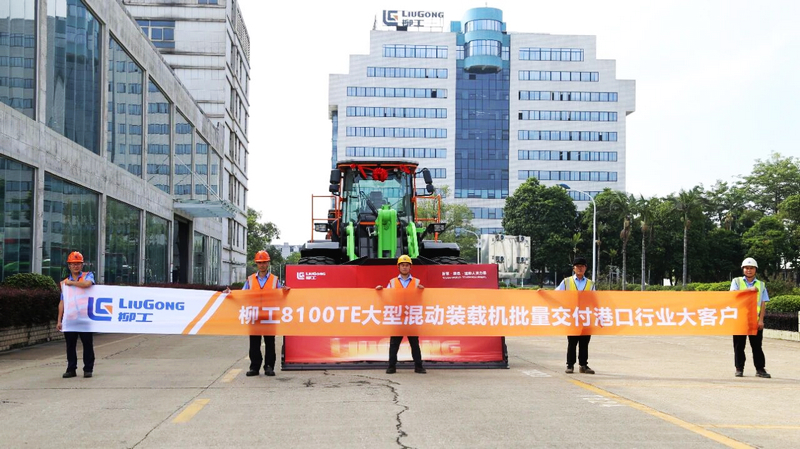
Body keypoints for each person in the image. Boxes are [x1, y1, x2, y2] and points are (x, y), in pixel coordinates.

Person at [227, 250, 290, 377]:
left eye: (264, 262)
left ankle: (269, 367)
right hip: (254, 315)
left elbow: (281, 295)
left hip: (269, 316)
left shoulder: (274, 280)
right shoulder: (250, 280)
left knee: (270, 343)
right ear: (256, 264)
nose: (262, 265)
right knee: (254, 343)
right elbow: (243, 294)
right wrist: (231, 293)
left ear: (268, 263)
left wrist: (285, 291)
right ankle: (254, 367)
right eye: (259, 262)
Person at [376, 255, 426, 374]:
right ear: (398, 267)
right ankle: (391, 366)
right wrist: (380, 291)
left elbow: (422, 299)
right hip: (398, 317)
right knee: (394, 344)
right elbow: (388, 296)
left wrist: (422, 290)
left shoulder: (417, 282)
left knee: (414, 343)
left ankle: (419, 366)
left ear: (410, 267)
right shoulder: (392, 282)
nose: (404, 267)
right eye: (402, 265)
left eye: (407, 265)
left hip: (411, 317)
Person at [56, 251, 96, 378]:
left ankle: (88, 369)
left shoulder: (87, 276)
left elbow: (87, 284)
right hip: (70, 318)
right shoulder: (64, 283)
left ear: (82, 265)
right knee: (70, 345)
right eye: (73, 264)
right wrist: (59, 320)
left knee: (87, 344)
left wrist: (71, 283)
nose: (76, 266)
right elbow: (62, 302)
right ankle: (71, 369)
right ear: (69, 266)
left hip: (85, 318)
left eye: (78, 263)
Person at [730, 257, 771, 378]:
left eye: (751, 268)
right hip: (739, 319)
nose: (749, 270)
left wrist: (761, 320)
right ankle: (739, 368)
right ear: (743, 269)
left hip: (755, 320)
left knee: (757, 346)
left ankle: (760, 369)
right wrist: (750, 290)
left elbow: (763, 303)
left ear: (755, 270)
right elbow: (733, 296)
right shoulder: (736, 282)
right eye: (747, 268)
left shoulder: (761, 285)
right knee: (739, 345)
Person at [557, 256, 596, 375]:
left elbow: (595, 301)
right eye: (578, 266)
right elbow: (556, 294)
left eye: (582, 266)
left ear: (585, 268)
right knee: (572, 342)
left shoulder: (590, 283)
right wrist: (542, 293)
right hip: (572, 317)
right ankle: (570, 365)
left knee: (585, 342)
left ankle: (583, 365)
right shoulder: (566, 282)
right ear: (574, 268)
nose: (580, 268)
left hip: (586, 317)